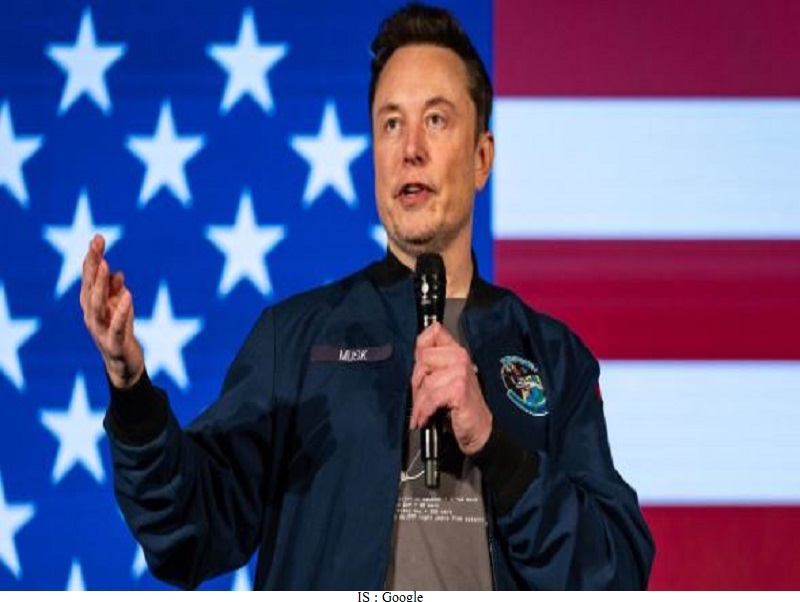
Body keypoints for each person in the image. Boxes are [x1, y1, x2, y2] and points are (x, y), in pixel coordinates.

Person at [80, 3, 654, 590]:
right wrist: (131, 390)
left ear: (481, 158)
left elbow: (614, 576)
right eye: (391, 124)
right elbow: (186, 533)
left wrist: (495, 447)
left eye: (436, 120)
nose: (410, 149)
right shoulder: (294, 342)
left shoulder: (551, 357)